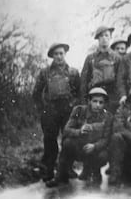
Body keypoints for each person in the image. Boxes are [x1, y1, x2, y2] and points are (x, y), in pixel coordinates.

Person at [46, 87, 113, 187]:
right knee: (67, 142)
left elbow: (106, 139)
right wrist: (79, 131)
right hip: (80, 148)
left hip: (95, 150)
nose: (98, 105)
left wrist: (95, 146)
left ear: (104, 104)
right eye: (95, 101)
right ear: (89, 101)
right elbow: (66, 130)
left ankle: (95, 173)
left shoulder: (108, 117)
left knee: (103, 155)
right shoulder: (79, 111)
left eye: (101, 102)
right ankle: (61, 175)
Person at [33, 43, 80, 182]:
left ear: (65, 54)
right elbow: (36, 93)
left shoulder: (73, 72)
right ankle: (49, 170)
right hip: (50, 111)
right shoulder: (45, 72)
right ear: (52, 56)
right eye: (56, 54)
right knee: (50, 140)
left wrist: (74, 106)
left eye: (61, 53)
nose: (59, 56)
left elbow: (79, 92)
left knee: (68, 140)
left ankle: (68, 168)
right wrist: (43, 109)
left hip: (68, 110)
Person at [81, 26, 121, 112]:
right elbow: (84, 81)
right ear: (98, 39)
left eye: (106, 35)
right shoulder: (90, 58)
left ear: (110, 37)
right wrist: (84, 101)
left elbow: (120, 80)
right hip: (96, 96)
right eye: (101, 36)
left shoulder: (117, 58)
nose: (104, 38)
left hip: (112, 97)